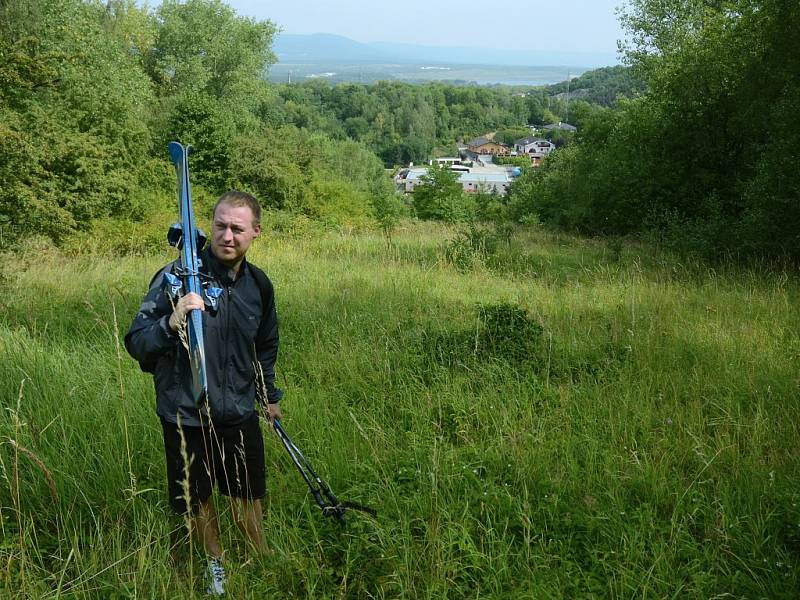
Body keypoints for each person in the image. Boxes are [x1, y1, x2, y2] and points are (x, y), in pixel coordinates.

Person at [125, 191, 282, 596]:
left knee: (248, 492)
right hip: (185, 412)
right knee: (198, 497)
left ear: (255, 233)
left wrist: (269, 394)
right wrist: (172, 320)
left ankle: (257, 557)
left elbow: (264, 345)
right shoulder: (176, 278)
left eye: (237, 228)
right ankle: (217, 565)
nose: (226, 236)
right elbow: (137, 342)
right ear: (209, 225)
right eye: (220, 225)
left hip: (238, 410)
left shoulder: (259, 286)